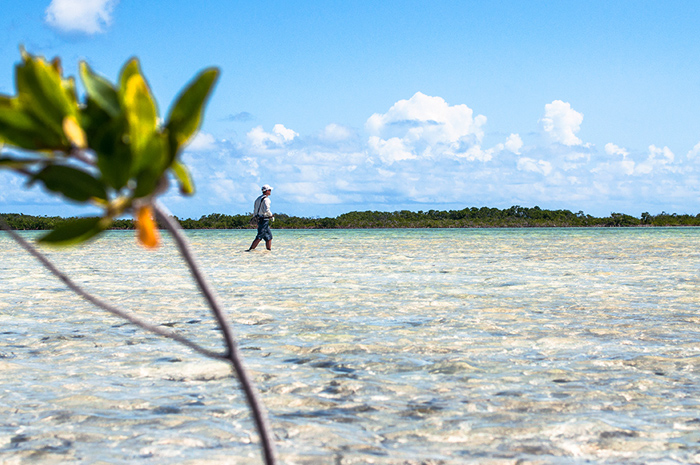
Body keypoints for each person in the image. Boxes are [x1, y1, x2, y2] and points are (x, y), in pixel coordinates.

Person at [247, 185, 274, 251]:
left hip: (259, 218)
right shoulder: (266, 199)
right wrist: (271, 215)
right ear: (267, 191)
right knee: (260, 235)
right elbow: (266, 210)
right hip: (264, 219)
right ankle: (250, 249)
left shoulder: (258, 199)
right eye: (270, 190)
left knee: (269, 237)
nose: (270, 191)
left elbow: (255, 209)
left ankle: (268, 250)